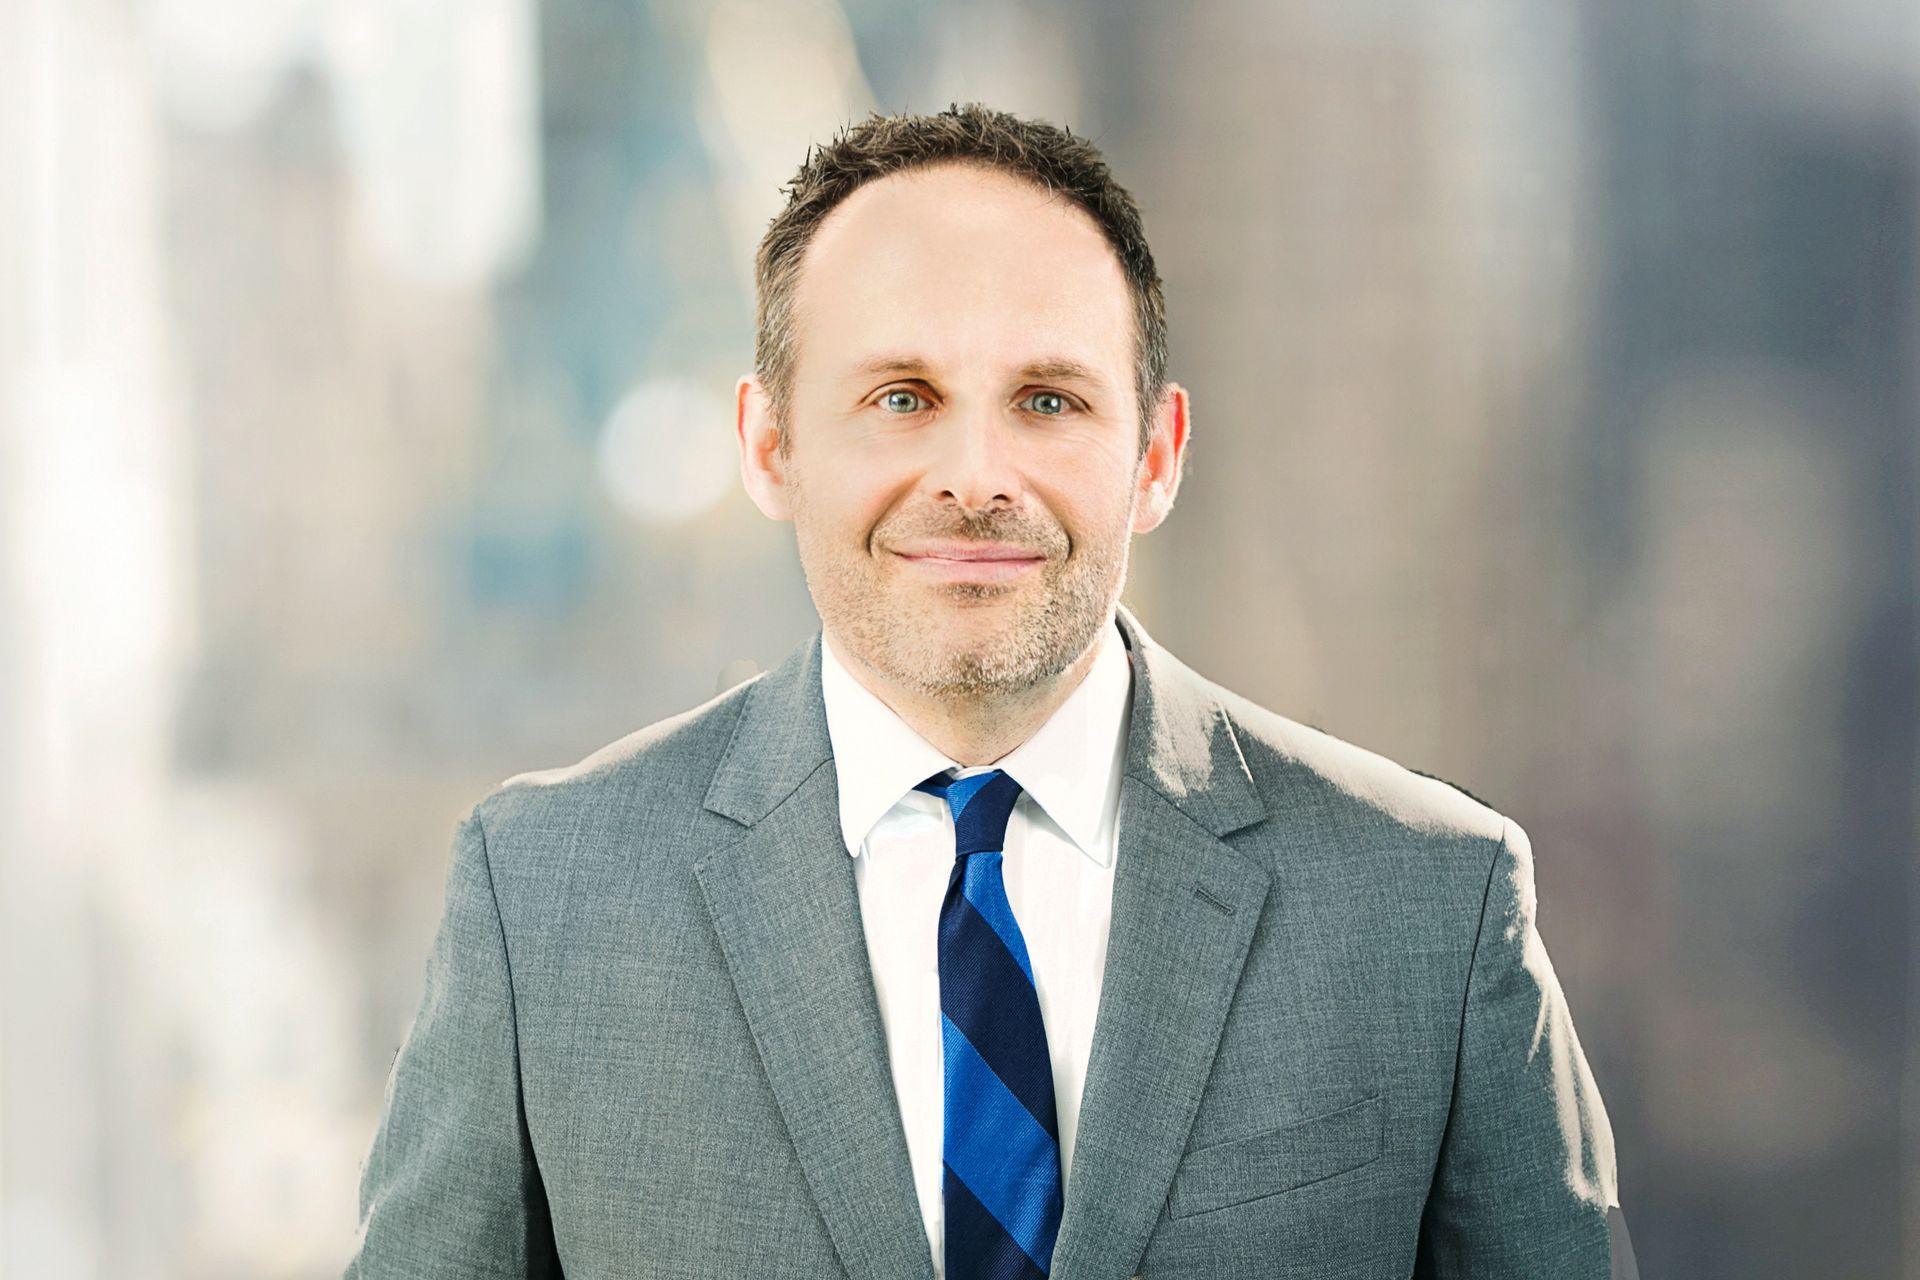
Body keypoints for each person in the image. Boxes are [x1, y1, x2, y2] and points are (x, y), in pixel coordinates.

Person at [348, 104, 1628, 1279]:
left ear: (1157, 454)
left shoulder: (1433, 901)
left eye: (1048, 399)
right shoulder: (543, 896)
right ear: (770, 443)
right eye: (902, 397)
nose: (976, 475)